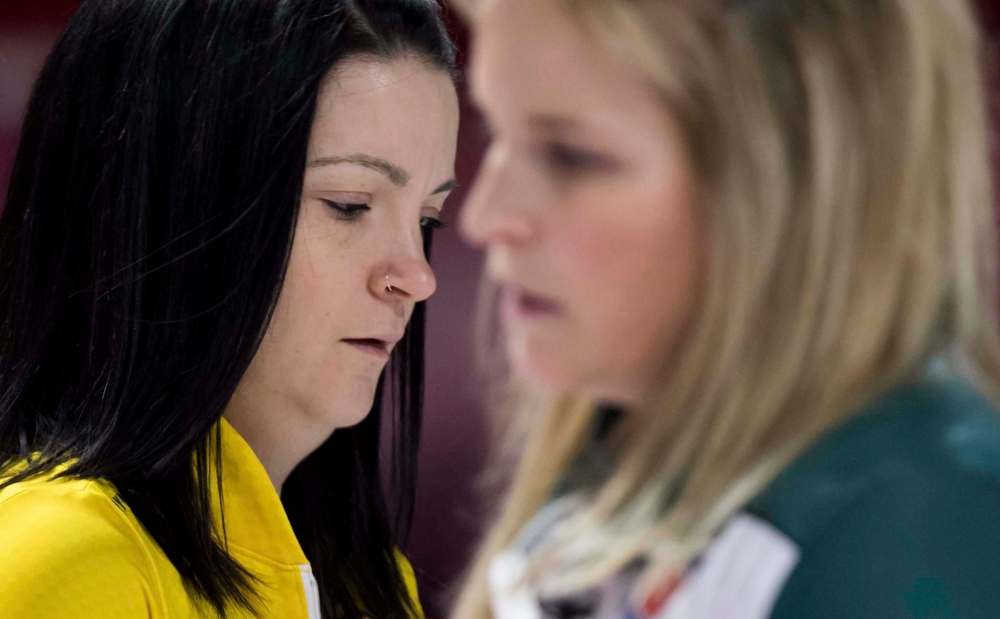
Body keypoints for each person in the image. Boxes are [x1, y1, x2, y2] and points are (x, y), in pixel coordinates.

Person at [453, 0, 1000, 617]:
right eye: (494, 132)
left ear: (795, 181)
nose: (484, 216)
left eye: (571, 156)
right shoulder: (610, 462)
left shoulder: (914, 532)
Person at [0, 0, 458, 617]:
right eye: (349, 204)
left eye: (428, 218)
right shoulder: (60, 557)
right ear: (172, 207)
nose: (418, 277)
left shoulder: (372, 583)